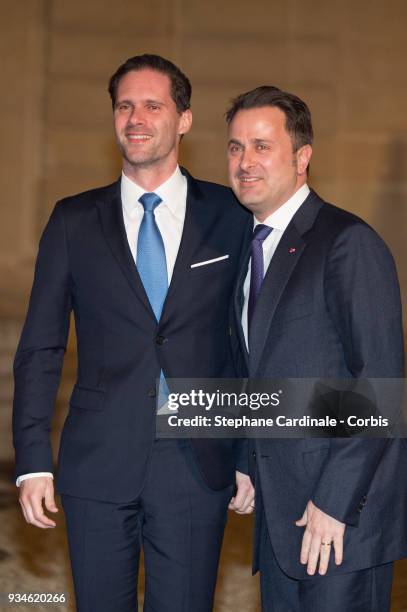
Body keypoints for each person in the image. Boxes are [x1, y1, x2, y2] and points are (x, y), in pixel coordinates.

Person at [13, 53, 254, 612]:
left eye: (152, 104)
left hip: (196, 465)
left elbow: (242, 344)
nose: (136, 118)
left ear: (184, 119)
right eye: (124, 106)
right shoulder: (73, 220)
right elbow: (41, 347)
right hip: (97, 462)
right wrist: (31, 458)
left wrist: (248, 451)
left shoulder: (230, 214)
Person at [226, 85, 407, 611]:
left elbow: (379, 383)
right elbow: (258, 374)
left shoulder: (347, 242)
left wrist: (333, 500)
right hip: (279, 520)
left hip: (340, 521)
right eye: (236, 147)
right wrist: (246, 459)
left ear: (302, 157)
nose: (245, 161)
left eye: (262, 146)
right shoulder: (248, 249)